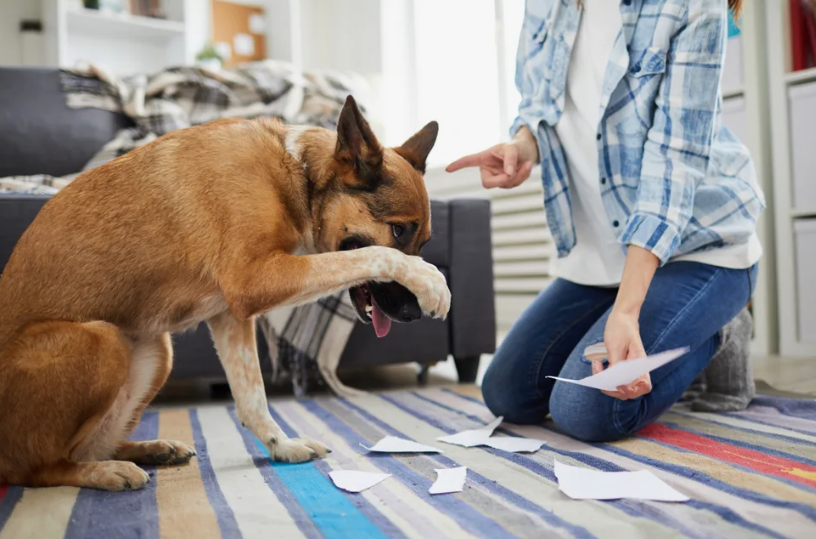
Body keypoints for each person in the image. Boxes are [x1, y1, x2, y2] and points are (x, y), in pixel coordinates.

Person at [447, 0, 762, 442]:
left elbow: (673, 164)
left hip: (700, 247)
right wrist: (522, 145)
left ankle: (719, 327)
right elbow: (540, 105)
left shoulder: (692, 7)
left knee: (586, 411)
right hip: (602, 258)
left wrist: (628, 311)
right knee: (507, 393)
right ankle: (653, 316)